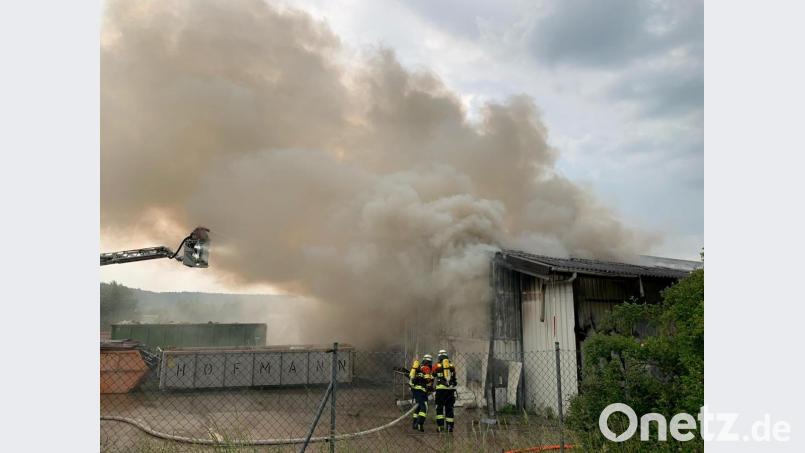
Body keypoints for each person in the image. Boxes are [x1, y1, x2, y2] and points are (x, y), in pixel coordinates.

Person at [432, 349, 457, 432]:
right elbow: (454, 379)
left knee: (439, 408)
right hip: (450, 390)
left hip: (440, 390)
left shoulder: (437, 366)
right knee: (449, 408)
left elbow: (432, 376)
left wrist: (430, 387)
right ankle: (450, 427)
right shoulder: (451, 365)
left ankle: (440, 427)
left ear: (439, 356)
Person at [409, 354, 434, 432]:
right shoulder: (426, 368)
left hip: (416, 390)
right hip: (421, 391)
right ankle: (419, 423)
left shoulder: (420, 368)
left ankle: (415, 425)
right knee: (424, 407)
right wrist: (431, 379)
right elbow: (427, 380)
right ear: (429, 361)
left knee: (418, 407)